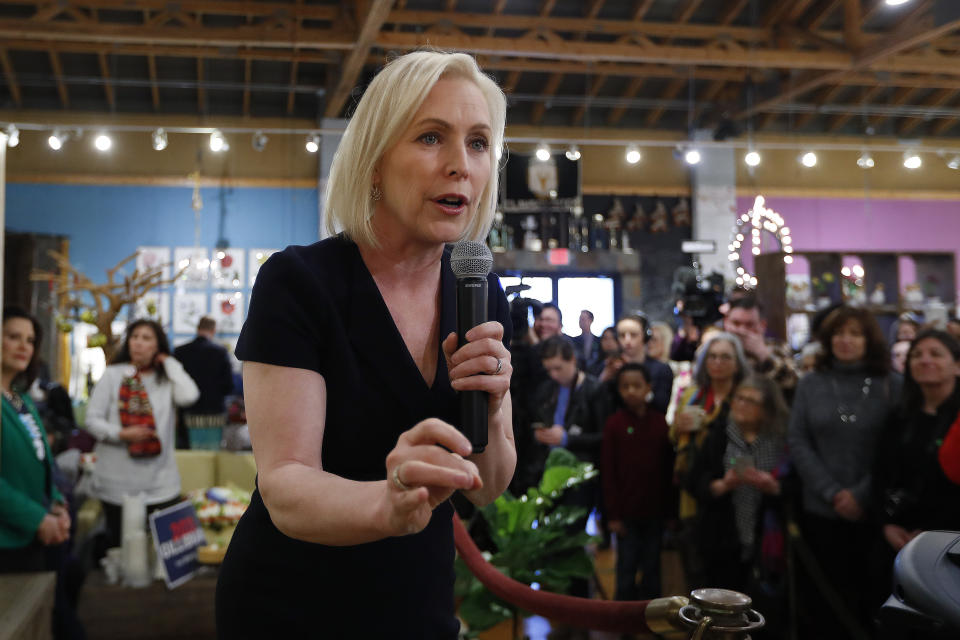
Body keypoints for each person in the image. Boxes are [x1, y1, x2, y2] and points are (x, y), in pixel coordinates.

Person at [215, 51, 515, 638]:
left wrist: (496, 408)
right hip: (293, 607)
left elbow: (491, 486)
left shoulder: (477, 286)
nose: (461, 165)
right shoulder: (300, 283)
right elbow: (286, 486)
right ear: (374, 161)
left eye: (478, 143)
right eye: (432, 137)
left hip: (417, 603)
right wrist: (388, 503)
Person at [788, 306, 900, 639]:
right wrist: (832, 492)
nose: (845, 340)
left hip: (875, 513)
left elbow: (895, 451)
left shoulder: (892, 384)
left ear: (869, 339)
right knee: (824, 604)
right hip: (821, 510)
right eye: (838, 333)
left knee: (871, 602)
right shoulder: (810, 383)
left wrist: (861, 494)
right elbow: (798, 440)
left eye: (854, 333)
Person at [0, 307, 84, 639]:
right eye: (13, 337)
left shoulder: (21, 401)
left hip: (35, 541)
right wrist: (37, 517)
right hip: (8, 541)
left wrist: (58, 505)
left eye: (30, 340)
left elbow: (43, 463)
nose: (23, 346)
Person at [84, 319, 199, 549]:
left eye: (147, 338)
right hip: (117, 485)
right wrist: (121, 434)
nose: (138, 343)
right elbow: (92, 420)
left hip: (161, 485)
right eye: (135, 337)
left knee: (162, 554)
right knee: (121, 552)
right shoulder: (113, 375)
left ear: (158, 346)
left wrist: (169, 362)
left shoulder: (166, 379)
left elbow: (190, 395)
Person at [873, 330, 960, 605]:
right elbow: (880, 472)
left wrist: (932, 533)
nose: (925, 360)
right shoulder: (899, 415)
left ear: (957, 365)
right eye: (917, 355)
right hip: (897, 535)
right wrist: (886, 524)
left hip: (950, 542)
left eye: (936, 354)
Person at [684, 375, 788, 594]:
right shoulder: (720, 434)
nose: (741, 405)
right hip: (722, 535)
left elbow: (794, 487)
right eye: (739, 398)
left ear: (767, 409)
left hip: (767, 538)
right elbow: (693, 480)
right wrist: (721, 485)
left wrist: (774, 488)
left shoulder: (780, 441)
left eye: (751, 401)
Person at [670, 332, 749, 589]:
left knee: (731, 571)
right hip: (692, 485)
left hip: (734, 488)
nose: (717, 362)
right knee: (695, 563)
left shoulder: (745, 396)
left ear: (737, 363)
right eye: (712, 357)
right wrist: (679, 427)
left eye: (725, 357)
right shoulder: (692, 394)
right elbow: (673, 437)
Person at [601, 363, 674, 601]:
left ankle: (653, 622)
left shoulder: (660, 422)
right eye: (625, 386)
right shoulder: (614, 424)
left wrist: (670, 513)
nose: (631, 391)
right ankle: (623, 623)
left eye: (637, 385)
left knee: (653, 568)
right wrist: (612, 515)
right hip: (626, 513)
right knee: (626, 568)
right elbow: (608, 472)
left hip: (655, 510)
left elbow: (668, 469)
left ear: (648, 388)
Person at [173, 315, 235, 449]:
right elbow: (228, 386)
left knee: (189, 458)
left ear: (197, 328)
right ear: (213, 330)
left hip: (187, 413)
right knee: (212, 456)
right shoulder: (221, 352)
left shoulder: (180, 352)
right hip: (214, 414)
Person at [723, 297, 799, 404]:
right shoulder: (716, 349)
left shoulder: (778, 348)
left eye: (749, 325)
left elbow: (793, 383)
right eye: (736, 323)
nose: (742, 330)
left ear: (762, 325)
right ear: (726, 323)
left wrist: (763, 354)